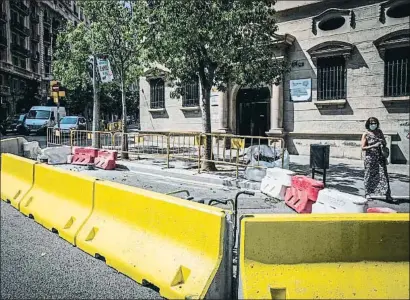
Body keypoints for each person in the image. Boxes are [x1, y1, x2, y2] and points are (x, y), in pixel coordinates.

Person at [361, 117, 392, 201]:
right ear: (368, 124)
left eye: (375, 123)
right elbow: (363, 147)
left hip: (380, 157)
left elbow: (385, 143)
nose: (373, 125)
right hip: (370, 158)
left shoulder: (379, 132)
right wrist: (373, 146)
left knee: (384, 176)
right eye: (371, 123)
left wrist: (382, 141)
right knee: (369, 175)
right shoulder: (366, 134)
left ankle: (387, 194)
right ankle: (367, 193)